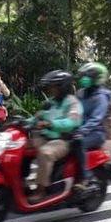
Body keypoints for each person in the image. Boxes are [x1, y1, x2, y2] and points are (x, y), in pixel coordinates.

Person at [28, 70, 83, 203]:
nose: (50, 89)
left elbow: (72, 121)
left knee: (45, 153)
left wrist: (50, 123)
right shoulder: (51, 102)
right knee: (22, 147)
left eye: (53, 86)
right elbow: (38, 117)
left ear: (62, 87)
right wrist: (21, 122)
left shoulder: (72, 102)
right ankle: (20, 182)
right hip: (46, 137)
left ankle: (41, 190)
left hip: (63, 140)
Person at [75, 62, 111, 185]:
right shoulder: (81, 93)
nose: (85, 79)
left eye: (88, 76)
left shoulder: (101, 97)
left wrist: (81, 131)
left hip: (95, 133)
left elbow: (96, 119)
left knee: (78, 143)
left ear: (97, 78)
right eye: (84, 75)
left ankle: (85, 176)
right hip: (79, 129)